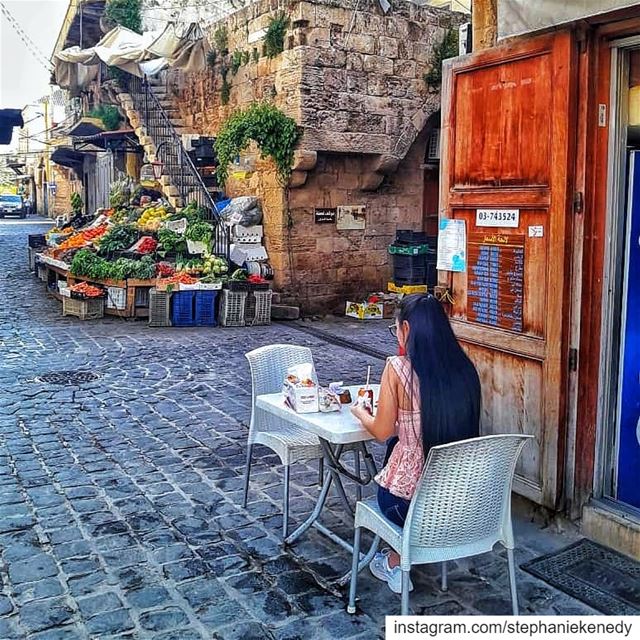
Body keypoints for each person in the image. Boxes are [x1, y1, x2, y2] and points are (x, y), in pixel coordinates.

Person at [351, 293, 481, 594]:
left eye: (395, 328)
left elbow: (381, 431)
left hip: (407, 504)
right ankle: (401, 556)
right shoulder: (465, 369)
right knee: (399, 441)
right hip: (459, 501)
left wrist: (360, 412)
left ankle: (395, 561)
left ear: (406, 329)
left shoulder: (398, 368)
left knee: (393, 445)